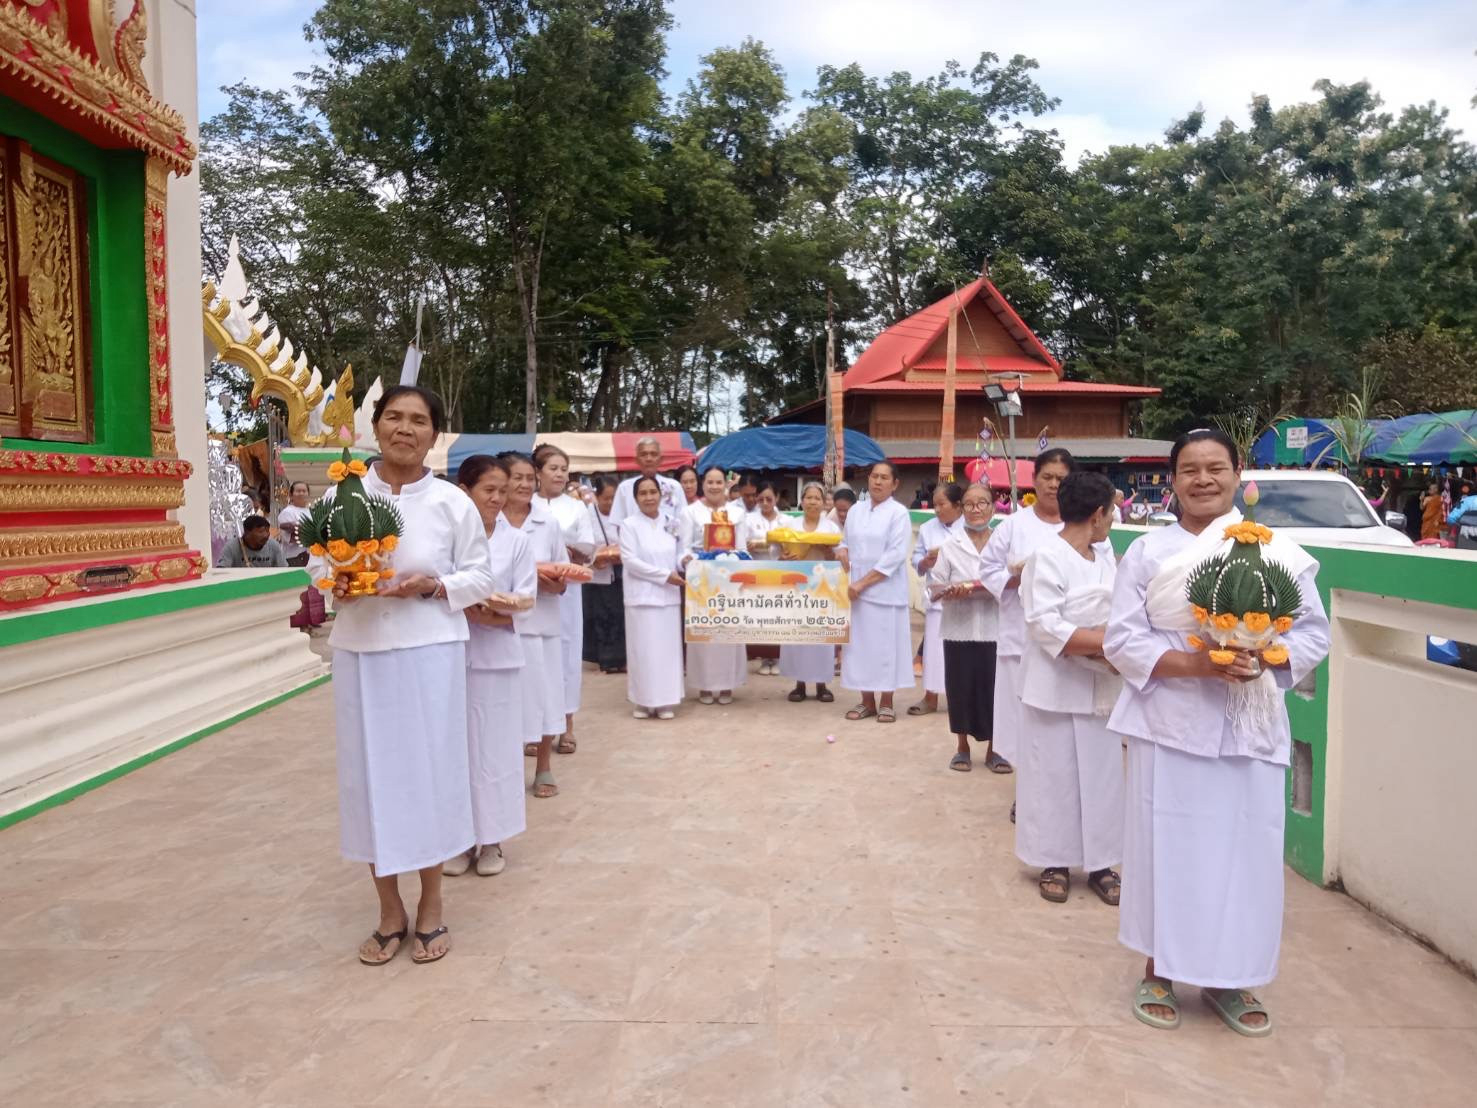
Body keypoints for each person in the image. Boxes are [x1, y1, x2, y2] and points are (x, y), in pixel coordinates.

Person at [1104, 428, 1329, 1037]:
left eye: (1215, 468)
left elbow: (1313, 634)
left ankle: (1232, 976)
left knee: (1245, 852)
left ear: (1238, 474)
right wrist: (1196, 664)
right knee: (1163, 846)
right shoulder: (1147, 554)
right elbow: (1122, 638)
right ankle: (1158, 969)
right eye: (1189, 469)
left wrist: (1268, 659)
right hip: (1170, 719)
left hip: (1250, 723)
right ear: (1171, 480)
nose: (1203, 479)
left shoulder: (1278, 550)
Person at [315, 384, 494, 967]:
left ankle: (433, 903)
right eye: (394, 417)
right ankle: (389, 908)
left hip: (430, 653)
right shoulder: (344, 492)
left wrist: (435, 585)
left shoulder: (451, 503)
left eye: (419, 420)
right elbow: (319, 561)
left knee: (430, 776)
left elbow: (480, 577)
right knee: (370, 779)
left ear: (433, 435)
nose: (405, 428)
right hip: (363, 651)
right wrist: (332, 581)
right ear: (376, 425)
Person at [1017, 471, 1123, 905]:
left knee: (1103, 779)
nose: (1113, 520)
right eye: (1112, 512)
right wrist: (1107, 643)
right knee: (1053, 777)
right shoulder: (1046, 556)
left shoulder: (1104, 557)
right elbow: (1044, 623)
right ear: (1098, 514)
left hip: (1100, 688)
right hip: (1056, 686)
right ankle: (1054, 861)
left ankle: (1101, 864)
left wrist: (1113, 644)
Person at [445, 455, 537, 879]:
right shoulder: (449, 539)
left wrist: (490, 611)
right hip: (451, 657)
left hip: (498, 658)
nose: (498, 499)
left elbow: (526, 600)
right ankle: (460, 839)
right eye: (489, 490)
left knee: (495, 752)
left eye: (504, 490)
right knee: (457, 751)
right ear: (465, 491)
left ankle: (493, 840)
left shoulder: (516, 541)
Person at [980, 448, 1075, 780]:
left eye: (1060, 479)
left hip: (1067, 640)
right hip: (1019, 636)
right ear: (1034, 481)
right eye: (1046, 477)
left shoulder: (1081, 524)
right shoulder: (1013, 525)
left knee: (1056, 719)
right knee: (1019, 717)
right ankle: (1025, 791)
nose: (1053, 485)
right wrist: (1016, 578)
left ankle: (1057, 785)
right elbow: (988, 569)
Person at [500, 452, 567, 800]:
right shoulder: (487, 521)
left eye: (530, 477)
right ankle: (505, 770)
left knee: (544, 700)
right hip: (495, 626)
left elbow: (564, 576)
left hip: (541, 625)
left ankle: (543, 767)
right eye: (518, 477)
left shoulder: (548, 522)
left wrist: (546, 578)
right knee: (505, 703)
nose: (525, 484)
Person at [927, 484, 1002, 772]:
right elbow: (933, 587)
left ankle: (996, 750)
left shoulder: (1003, 544)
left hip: (996, 628)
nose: (976, 509)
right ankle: (962, 748)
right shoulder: (949, 546)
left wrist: (997, 588)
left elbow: (1013, 586)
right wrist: (949, 591)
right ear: (962, 510)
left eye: (982, 503)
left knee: (994, 689)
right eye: (969, 504)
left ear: (993, 508)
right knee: (960, 687)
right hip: (959, 627)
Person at [532, 445, 595, 756]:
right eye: (553, 468)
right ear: (537, 473)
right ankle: (534, 727)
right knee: (535, 658)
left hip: (567, 592)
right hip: (531, 590)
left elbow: (590, 546)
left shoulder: (577, 508)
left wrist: (568, 552)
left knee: (567, 653)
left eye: (563, 468)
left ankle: (567, 725)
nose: (559, 474)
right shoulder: (525, 504)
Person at [839, 461, 914, 723]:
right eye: (874, 476)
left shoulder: (899, 513)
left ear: (894, 484)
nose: (877, 482)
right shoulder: (856, 511)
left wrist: (863, 583)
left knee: (886, 649)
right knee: (860, 649)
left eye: (884, 478)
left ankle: (886, 702)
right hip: (856, 594)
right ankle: (866, 701)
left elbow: (894, 556)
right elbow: (844, 542)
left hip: (885, 593)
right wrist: (843, 552)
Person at [620, 475, 687, 719]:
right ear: (636, 498)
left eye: (653, 492)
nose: (649, 497)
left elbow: (679, 554)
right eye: (643, 493)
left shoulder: (672, 522)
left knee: (667, 652)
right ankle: (643, 701)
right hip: (641, 598)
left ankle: (666, 701)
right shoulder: (629, 525)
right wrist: (663, 575)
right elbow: (630, 561)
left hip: (668, 597)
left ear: (661, 495)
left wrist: (684, 561)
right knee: (643, 651)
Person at [682, 466, 749, 704]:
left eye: (718, 482)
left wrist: (733, 559)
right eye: (709, 482)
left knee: (727, 633)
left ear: (725, 484)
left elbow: (742, 548)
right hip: (702, 579)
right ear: (703, 484)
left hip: (728, 580)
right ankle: (705, 686)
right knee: (705, 635)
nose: (714, 487)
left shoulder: (737, 513)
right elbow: (685, 547)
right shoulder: (690, 512)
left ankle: (728, 684)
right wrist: (690, 559)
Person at [779, 481, 839, 703]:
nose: (813, 502)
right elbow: (779, 554)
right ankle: (799, 683)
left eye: (818, 498)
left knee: (820, 638)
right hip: (796, 587)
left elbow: (838, 558)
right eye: (809, 497)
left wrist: (828, 551)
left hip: (822, 587)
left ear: (824, 504)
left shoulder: (831, 529)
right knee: (798, 636)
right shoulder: (791, 526)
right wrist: (783, 559)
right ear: (801, 501)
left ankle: (822, 684)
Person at [909, 482, 964, 716]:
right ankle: (930, 697)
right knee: (933, 650)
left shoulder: (970, 527)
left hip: (963, 596)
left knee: (961, 652)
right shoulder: (928, 528)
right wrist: (925, 562)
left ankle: (960, 700)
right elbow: (916, 558)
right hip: (937, 596)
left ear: (958, 505)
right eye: (935, 505)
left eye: (942, 504)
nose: (938, 509)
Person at [583, 476, 627, 673]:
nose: (610, 503)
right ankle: (606, 659)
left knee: (620, 615)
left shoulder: (623, 514)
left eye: (613, 498)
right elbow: (583, 544)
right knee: (602, 616)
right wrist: (597, 557)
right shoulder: (587, 515)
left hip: (620, 572)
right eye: (606, 498)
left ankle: (622, 657)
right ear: (597, 497)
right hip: (598, 574)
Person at [745, 482, 786, 674]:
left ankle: (777, 657)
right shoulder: (749, 519)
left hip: (780, 569)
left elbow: (791, 543)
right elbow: (741, 544)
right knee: (761, 617)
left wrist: (785, 554)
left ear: (776, 498)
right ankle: (764, 658)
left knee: (778, 616)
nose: (765, 503)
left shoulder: (785, 520)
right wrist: (748, 547)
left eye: (769, 499)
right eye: (760, 499)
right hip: (758, 570)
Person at [610, 437, 685, 527]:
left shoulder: (674, 487)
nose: (649, 458)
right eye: (644, 454)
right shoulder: (624, 488)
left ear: (661, 459)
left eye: (653, 454)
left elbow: (683, 522)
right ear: (637, 460)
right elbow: (617, 524)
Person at [218, 515, 288, 568]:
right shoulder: (232, 547)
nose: (266, 535)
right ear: (247, 533)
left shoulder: (273, 545)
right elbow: (222, 570)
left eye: (267, 531)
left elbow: (284, 570)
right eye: (261, 531)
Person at [277, 481, 312, 566]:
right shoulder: (287, 512)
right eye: (298, 491)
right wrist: (311, 534)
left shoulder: (311, 512)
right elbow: (290, 538)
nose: (301, 493)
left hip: (310, 557)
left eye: (304, 491)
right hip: (293, 558)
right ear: (291, 495)